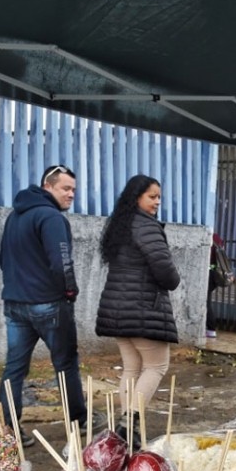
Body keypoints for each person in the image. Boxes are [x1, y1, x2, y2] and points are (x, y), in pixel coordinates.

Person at [0, 164, 93, 447]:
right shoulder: (51, 218)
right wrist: (70, 291)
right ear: (47, 186)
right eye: (65, 188)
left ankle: (9, 428)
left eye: (74, 189)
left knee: (14, 368)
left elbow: (3, 259)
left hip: (14, 304)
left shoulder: (15, 216)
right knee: (65, 364)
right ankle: (78, 420)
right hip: (49, 305)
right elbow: (61, 260)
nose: (71, 194)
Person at [95, 174, 181, 443]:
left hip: (117, 310)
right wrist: (174, 280)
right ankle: (128, 423)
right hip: (144, 309)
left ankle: (124, 427)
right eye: (152, 196)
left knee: (132, 368)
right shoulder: (147, 226)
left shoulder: (120, 226)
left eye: (159, 196)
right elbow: (164, 269)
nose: (157, 202)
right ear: (137, 198)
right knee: (156, 366)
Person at [206, 232, 230, 338]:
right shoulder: (216, 237)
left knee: (205, 302)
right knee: (207, 301)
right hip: (215, 273)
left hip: (208, 273)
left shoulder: (206, 236)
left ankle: (211, 329)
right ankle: (209, 328)